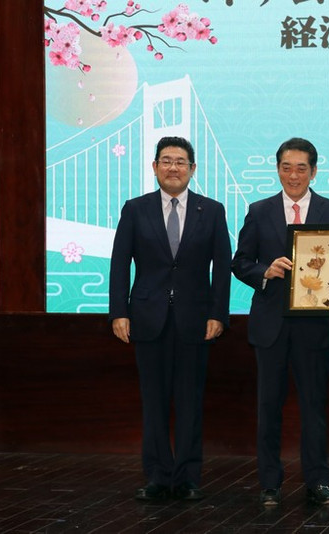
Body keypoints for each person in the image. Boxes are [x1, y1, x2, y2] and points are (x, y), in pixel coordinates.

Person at [109, 136, 232, 501]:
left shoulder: (212, 211)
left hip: (196, 320)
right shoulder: (135, 209)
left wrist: (218, 313)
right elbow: (120, 263)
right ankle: (158, 476)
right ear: (154, 167)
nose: (173, 167)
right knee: (154, 402)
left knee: (191, 402)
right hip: (147, 319)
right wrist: (119, 312)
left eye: (180, 162)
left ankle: (188, 477)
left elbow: (222, 267)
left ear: (192, 169)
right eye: (166, 160)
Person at [231, 137, 329, 506]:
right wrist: (265, 271)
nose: (293, 175)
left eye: (301, 168)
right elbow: (240, 262)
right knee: (268, 408)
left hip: (315, 325)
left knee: (314, 408)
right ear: (278, 170)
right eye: (286, 168)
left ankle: (318, 481)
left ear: (314, 172)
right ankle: (269, 482)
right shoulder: (259, 210)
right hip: (271, 326)